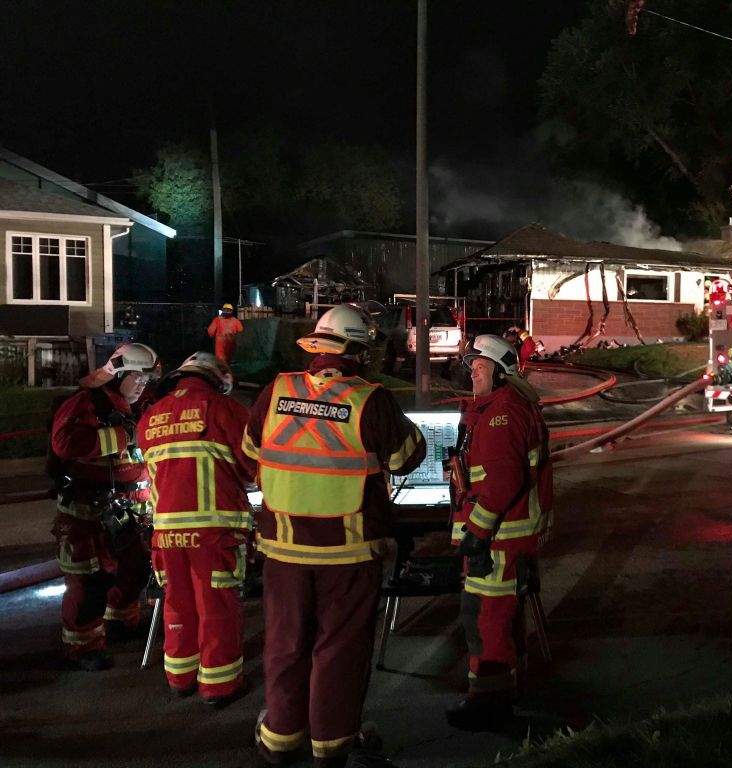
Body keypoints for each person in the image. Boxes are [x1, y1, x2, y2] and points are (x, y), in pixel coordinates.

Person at [244, 304, 426, 767]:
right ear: (359, 351)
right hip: (348, 550)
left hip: (283, 548)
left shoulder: (277, 389)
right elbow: (406, 457)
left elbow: (250, 451)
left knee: (285, 643)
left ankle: (280, 739)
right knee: (339, 649)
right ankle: (332, 745)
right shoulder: (370, 399)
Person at [446, 334, 553, 731]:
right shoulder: (502, 406)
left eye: (481, 367)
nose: (473, 373)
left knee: (485, 620)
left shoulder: (501, 414)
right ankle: (510, 688)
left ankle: (488, 703)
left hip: (498, 539)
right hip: (508, 535)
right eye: (472, 367)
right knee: (504, 619)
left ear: (501, 372)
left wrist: (476, 533)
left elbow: (503, 481)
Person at [137, 352, 256, 706]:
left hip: (166, 532)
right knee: (216, 606)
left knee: (177, 604)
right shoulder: (224, 409)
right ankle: (220, 685)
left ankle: (180, 677)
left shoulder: (151, 416)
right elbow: (252, 466)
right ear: (218, 380)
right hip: (215, 531)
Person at [49, 342, 161, 671]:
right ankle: (82, 645)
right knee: (90, 580)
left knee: (135, 567)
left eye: (146, 380)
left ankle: (121, 621)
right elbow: (65, 443)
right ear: (118, 375)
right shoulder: (86, 403)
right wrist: (123, 436)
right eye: (136, 378)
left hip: (132, 507)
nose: (141, 386)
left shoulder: (142, 405)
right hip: (89, 510)